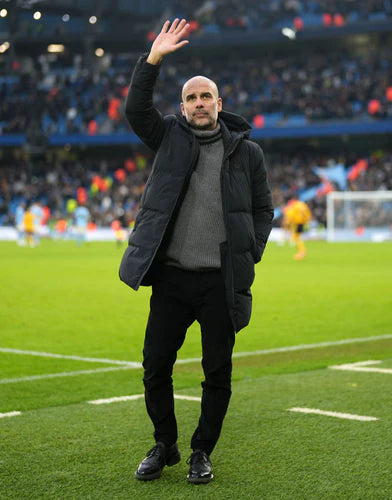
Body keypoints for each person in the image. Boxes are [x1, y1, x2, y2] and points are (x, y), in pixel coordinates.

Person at [119, 19, 274, 484]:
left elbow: (264, 210)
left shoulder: (248, 153)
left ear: (219, 104)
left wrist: (250, 252)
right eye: (191, 97)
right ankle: (163, 443)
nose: (200, 103)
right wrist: (153, 59)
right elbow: (135, 109)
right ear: (182, 107)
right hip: (171, 278)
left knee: (217, 373)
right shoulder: (168, 136)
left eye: (207, 96)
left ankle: (201, 450)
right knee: (155, 367)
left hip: (220, 281)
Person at [285, 195, 312, 260]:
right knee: (296, 237)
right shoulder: (303, 205)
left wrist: (288, 221)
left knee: (296, 238)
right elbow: (308, 213)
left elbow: (291, 214)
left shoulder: (295, 205)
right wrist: (307, 221)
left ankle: (302, 252)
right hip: (303, 223)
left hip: (297, 223)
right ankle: (301, 252)